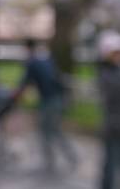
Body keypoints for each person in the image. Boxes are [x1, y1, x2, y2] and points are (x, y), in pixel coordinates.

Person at [13, 38, 77, 174]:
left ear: (27, 49)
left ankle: (50, 162)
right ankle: (71, 156)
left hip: (49, 100)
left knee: (45, 131)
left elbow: (24, 82)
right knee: (54, 129)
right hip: (59, 98)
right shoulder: (46, 58)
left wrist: (15, 95)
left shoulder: (32, 62)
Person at [97, 30, 120, 189]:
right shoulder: (106, 73)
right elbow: (116, 89)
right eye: (116, 52)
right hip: (114, 126)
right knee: (110, 166)